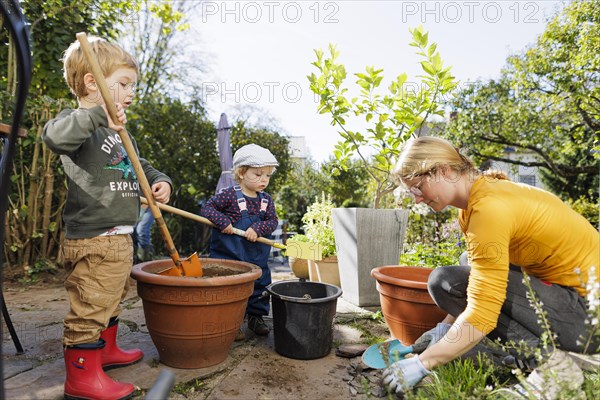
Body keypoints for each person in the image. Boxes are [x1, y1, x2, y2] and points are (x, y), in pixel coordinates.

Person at [382, 136, 599, 398]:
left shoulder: (488, 209)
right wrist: (443, 330)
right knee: (467, 264)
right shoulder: (480, 199)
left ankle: (554, 367)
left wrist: (423, 363)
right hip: (577, 304)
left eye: (417, 188)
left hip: (589, 318)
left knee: (445, 281)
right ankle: (543, 357)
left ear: (443, 171)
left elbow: (483, 309)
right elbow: (479, 280)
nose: (417, 199)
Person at [43, 37, 172, 400]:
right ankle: (82, 379)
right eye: (124, 84)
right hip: (95, 236)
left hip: (119, 236)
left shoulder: (119, 131)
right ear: (92, 83)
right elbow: (53, 138)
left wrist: (160, 181)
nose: (131, 93)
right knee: (91, 304)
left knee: (111, 298)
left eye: (133, 86)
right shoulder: (79, 122)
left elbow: (139, 165)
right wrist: (101, 115)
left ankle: (107, 350)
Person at [200, 144, 279, 340]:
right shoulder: (228, 195)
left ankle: (255, 318)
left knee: (259, 286)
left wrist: (257, 229)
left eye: (267, 175)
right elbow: (208, 209)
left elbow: (272, 221)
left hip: (256, 258)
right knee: (230, 289)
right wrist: (223, 221)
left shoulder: (266, 200)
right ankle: (231, 323)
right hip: (230, 257)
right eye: (258, 174)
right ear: (242, 173)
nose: (264, 180)